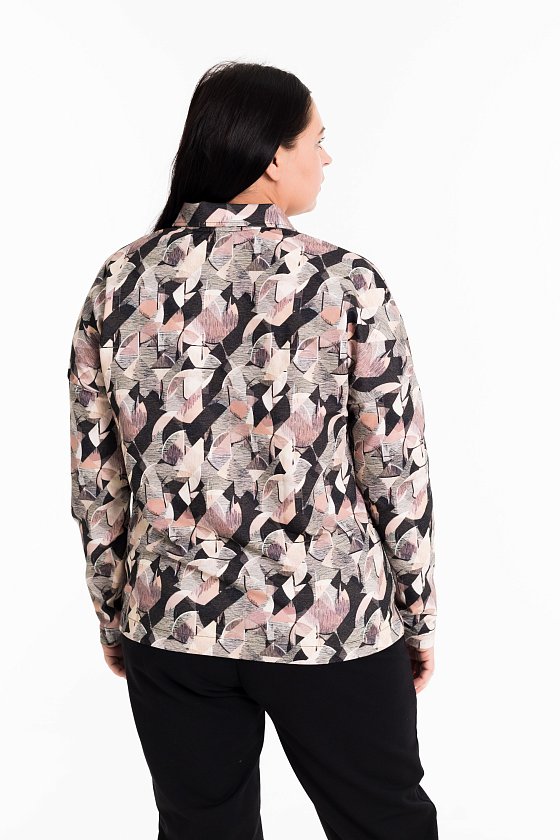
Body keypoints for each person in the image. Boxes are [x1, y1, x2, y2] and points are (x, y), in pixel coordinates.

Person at [68, 60, 438, 840]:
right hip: (328, 620)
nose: (326, 158)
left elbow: (97, 475)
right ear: (273, 157)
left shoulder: (120, 281)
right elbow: (393, 466)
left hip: (172, 622)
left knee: (202, 830)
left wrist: (115, 611)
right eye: (316, 140)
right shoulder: (343, 282)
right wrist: (415, 613)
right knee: (385, 824)